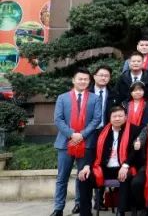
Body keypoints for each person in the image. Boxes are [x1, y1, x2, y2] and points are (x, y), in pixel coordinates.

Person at [52, 69, 102, 216]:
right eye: (80, 79)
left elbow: (96, 119)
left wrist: (82, 135)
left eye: (86, 79)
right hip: (65, 143)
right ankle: (58, 208)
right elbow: (58, 119)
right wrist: (71, 134)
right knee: (62, 177)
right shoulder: (62, 98)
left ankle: (80, 204)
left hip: (86, 143)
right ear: (73, 80)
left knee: (83, 177)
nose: (83, 81)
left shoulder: (95, 98)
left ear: (89, 81)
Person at [77, 106, 139, 216]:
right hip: (103, 168)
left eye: (120, 116)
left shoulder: (134, 130)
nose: (117, 118)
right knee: (84, 177)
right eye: (114, 116)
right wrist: (87, 166)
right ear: (110, 118)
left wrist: (126, 165)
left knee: (125, 176)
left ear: (126, 117)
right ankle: (85, 212)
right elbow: (92, 151)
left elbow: (135, 152)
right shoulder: (101, 131)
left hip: (124, 166)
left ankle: (121, 211)